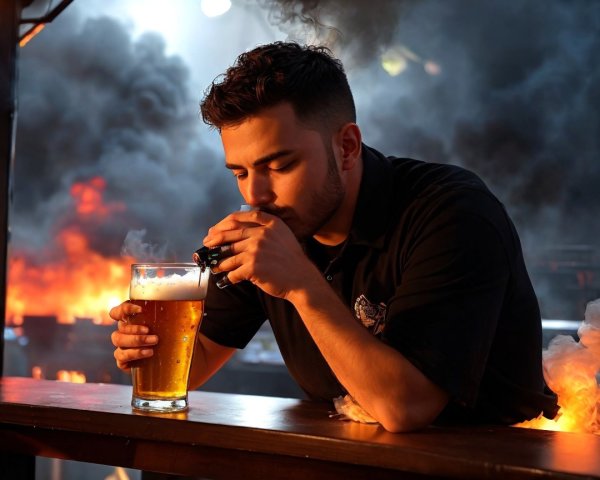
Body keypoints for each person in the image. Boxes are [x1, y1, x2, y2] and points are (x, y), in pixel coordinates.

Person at [110, 41, 558, 432]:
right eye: (240, 172)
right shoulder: (273, 225)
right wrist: (150, 347)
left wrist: (303, 286)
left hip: (494, 463)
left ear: (346, 147)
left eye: (280, 165)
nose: (255, 194)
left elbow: (406, 407)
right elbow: (199, 357)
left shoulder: (453, 212)